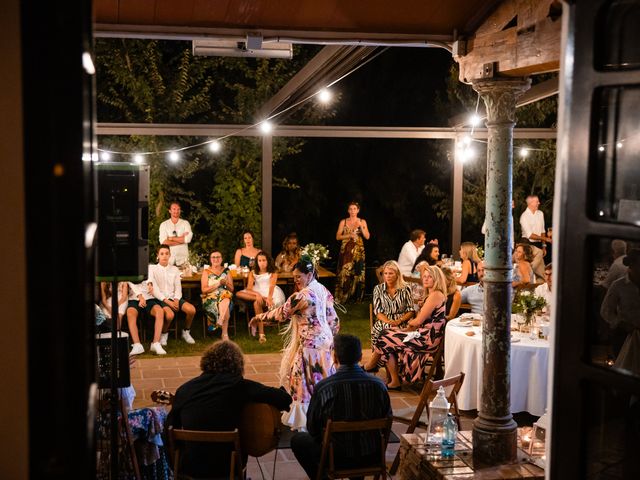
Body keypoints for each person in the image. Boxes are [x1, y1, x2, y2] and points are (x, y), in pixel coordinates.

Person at [165, 341, 292, 479]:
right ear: (238, 365)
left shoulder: (185, 389)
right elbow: (284, 399)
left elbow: (169, 428)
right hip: (228, 467)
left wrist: (176, 462)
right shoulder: (240, 386)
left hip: (189, 468)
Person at [249, 257, 340, 430]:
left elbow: (280, 315)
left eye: (299, 276)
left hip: (310, 346)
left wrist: (257, 318)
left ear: (310, 274)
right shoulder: (323, 290)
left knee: (300, 382)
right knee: (322, 381)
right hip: (325, 343)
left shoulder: (301, 296)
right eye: (294, 277)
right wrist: (330, 339)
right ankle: (324, 417)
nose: (296, 280)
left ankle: (304, 422)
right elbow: (333, 319)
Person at [290, 334, 392, 480]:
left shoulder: (324, 388)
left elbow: (312, 428)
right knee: (357, 442)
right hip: (371, 456)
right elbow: (387, 419)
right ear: (360, 357)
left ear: (335, 357)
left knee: (298, 440)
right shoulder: (379, 385)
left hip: (335, 458)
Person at [365, 265, 448, 388]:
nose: (425, 279)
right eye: (424, 276)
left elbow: (418, 321)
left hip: (427, 339)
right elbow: (421, 320)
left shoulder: (435, 295)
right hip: (422, 335)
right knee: (387, 338)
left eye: (430, 277)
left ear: (437, 279)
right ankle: (393, 381)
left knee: (385, 336)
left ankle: (371, 365)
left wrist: (403, 327)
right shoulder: (432, 295)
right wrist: (404, 328)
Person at [148, 244, 197, 346]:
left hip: (173, 297)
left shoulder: (174, 269)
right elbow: (155, 290)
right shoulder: (152, 268)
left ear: (170, 255)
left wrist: (177, 299)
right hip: (160, 299)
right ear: (158, 256)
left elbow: (178, 287)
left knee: (191, 310)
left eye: (167, 253)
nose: (164, 256)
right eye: (162, 254)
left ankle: (186, 331)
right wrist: (167, 302)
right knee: (170, 315)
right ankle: (164, 333)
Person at [235, 251, 285, 343]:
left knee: (256, 303)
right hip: (256, 292)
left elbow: (272, 286)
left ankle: (261, 334)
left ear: (268, 261)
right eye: (259, 260)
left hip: (270, 292)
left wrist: (269, 297)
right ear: (257, 262)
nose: (262, 263)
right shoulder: (253, 272)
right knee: (238, 293)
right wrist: (257, 295)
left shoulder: (273, 272)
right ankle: (260, 331)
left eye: (264, 260)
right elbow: (249, 288)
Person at [600, 249, 640, 357]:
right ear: (631, 265)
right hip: (624, 334)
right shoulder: (618, 285)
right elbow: (606, 310)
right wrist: (620, 323)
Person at [334, 201, 370, 303]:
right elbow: (338, 236)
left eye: (355, 209)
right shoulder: (343, 222)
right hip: (346, 251)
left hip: (358, 251)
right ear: (348, 210)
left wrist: (361, 226)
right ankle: (343, 298)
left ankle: (356, 298)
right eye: (351, 209)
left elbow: (367, 237)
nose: (352, 211)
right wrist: (349, 235)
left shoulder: (362, 221)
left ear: (358, 210)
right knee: (344, 273)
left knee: (358, 273)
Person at [371, 260, 414, 345]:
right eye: (385, 273)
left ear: (397, 274)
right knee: (383, 331)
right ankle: (382, 355)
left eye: (391, 273)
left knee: (398, 332)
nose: (388, 276)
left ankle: (395, 354)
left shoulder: (406, 288)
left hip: (402, 321)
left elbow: (411, 310)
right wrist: (388, 321)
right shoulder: (378, 289)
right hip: (384, 320)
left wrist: (400, 320)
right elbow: (378, 311)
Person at [126, 280, 168, 355]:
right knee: (130, 313)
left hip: (149, 297)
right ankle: (137, 345)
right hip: (133, 298)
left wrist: (151, 285)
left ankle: (156, 343)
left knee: (159, 311)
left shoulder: (150, 268)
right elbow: (130, 282)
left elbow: (150, 279)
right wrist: (140, 296)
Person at [201, 250, 235, 340]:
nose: (216, 259)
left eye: (218, 257)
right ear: (210, 259)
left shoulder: (226, 271)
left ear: (222, 259)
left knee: (226, 295)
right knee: (226, 304)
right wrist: (218, 284)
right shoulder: (206, 272)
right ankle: (224, 334)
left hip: (225, 296)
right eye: (213, 257)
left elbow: (232, 289)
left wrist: (226, 284)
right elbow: (204, 290)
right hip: (210, 297)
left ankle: (221, 320)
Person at [158, 202, 193, 267]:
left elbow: (188, 239)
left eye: (178, 209)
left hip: (183, 260)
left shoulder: (185, 223)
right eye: (174, 209)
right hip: (169, 260)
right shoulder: (164, 224)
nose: (176, 211)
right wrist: (182, 240)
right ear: (170, 211)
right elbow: (163, 242)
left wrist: (171, 238)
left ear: (180, 211)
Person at [519, 195, 552, 262]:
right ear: (530, 203)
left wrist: (543, 246)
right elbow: (530, 235)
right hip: (528, 245)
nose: (539, 203)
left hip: (539, 244)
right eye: (537, 201)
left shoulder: (540, 213)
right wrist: (546, 239)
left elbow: (542, 231)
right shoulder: (524, 216)